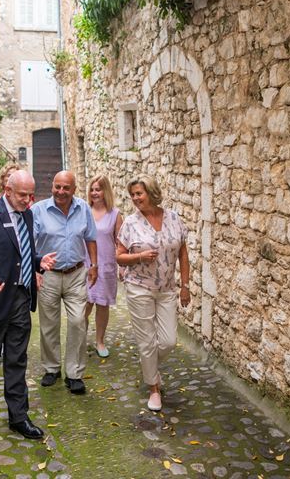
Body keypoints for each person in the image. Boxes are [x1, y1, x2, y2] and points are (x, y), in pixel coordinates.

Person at [0, 170, 57, 439]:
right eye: (22, 195)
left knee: (17, 360)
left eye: (31, 195)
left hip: (20, 299)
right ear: (7, 190)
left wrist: (38, 262)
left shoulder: (27, 214)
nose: (29, 201)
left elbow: (21, 250)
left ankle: (19, 417)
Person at [116, 175, 190, 412]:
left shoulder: (174, 218)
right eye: (133, 195)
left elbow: (183, 254)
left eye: (139, 193)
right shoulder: (130, 223)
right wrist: (139, 256)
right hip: (139, 288)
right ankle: (154, 388)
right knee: (147, 341)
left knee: (168, 340)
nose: (135, 198)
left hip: (167, 289)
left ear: (151, 192)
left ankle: (149, 366)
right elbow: (119, 256)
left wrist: (185, 286)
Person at [32, 170, 98, 395]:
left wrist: (94, 265)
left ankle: (75, 374)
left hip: (76, 273)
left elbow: (90, 238)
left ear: (74, 190)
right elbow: (29, 243)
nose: (60, 192)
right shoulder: (38, 210)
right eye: (57, 186)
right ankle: (51, 369)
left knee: (78, 321)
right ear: (52, 186)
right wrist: (35, 270)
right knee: (49, 324)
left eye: (65, 188)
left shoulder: (83, 209)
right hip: (48, 275)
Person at [84, 175, 123, 358]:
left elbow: (120, 243)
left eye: (98, 189)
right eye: (92, 189)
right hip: (85, 265)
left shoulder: (115, 214)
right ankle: (80, 339)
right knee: (84, 304)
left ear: (105, 191)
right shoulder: (84, 211)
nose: (94, 193)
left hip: (106, 265)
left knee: (102, 305)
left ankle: (100, 341)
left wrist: (123, 266)